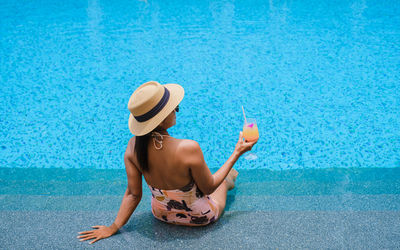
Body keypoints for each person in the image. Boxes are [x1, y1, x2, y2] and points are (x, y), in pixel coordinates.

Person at [77, 81, 258, 244]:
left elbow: (133, 194)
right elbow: (208, 188)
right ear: (162, 118)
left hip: (162, 214)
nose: (176, 109)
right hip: (200, 217)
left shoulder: (133, 147)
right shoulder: (188, 148)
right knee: (222, 181)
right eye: (174, 108)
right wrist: (237, 152)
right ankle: (230, 178)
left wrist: (113, 227)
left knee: (206, 176)